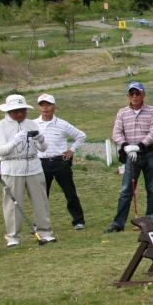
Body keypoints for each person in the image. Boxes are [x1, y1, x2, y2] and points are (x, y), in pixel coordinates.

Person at [0, 94, 57, 246]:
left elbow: (43, 147)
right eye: (16, 111)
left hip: (34, 166)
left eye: (22, 110)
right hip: (12, 169)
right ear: (8, 111)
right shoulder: (0, 126)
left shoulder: (32, 124)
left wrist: (41, 139)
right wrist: (14, 142)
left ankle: (45, 232)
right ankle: (13, 237)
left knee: (41, 201)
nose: (20, 114)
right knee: (13, 204)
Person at [105, 81, 153, 233]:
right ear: (128, 96)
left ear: (143, 94)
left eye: (137, 93)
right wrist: (126, 146)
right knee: (126, 190)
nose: (135, 96)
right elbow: (116, 133)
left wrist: (140, 146)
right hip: (131, 155)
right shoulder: (122, 113)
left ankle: (150, 221)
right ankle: (118, 223)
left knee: (152, 189)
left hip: (149, 153)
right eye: (132, 93)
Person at [34, 93, 87, 229]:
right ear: (39, 107)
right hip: (41, 163)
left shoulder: (62, 124)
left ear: (54, 106)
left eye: (48, 104)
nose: (45, 108)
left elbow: (81, 136)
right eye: (42, 105)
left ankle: (78, 220)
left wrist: (71, 150)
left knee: (70, 192)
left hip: (60, 162)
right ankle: (40, 222)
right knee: (41, 195)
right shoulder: (33, 124)